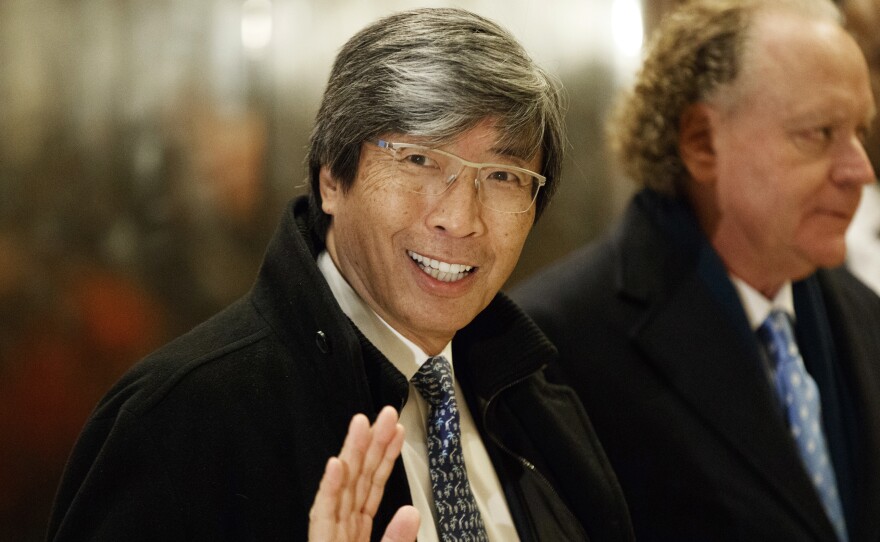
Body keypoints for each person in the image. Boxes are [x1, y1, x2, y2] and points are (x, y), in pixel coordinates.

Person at [47, 8, 634, 542]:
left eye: (503, 177)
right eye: (419, 159)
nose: (460, 219)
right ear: (332, 179)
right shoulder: (182, 419)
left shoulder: (533, 396)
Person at [513, 0, 880, 540]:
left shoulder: (862, 310)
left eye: (861, 133)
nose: (861, 170)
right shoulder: (553, 344)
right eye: (819, 133)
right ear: (701, 142)